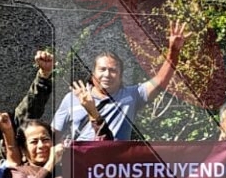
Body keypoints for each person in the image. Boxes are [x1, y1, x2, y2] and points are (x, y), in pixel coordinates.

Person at [52, 22, 187, 142]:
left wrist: (173, 52)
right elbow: (53, 135)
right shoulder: (73, 98)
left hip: (114, 165)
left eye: (113, 70)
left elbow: (160, 81)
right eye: (102, 69)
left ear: (120, 75)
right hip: (82, 164)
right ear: (93, 73)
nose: (107, 74)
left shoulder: (131, 96)